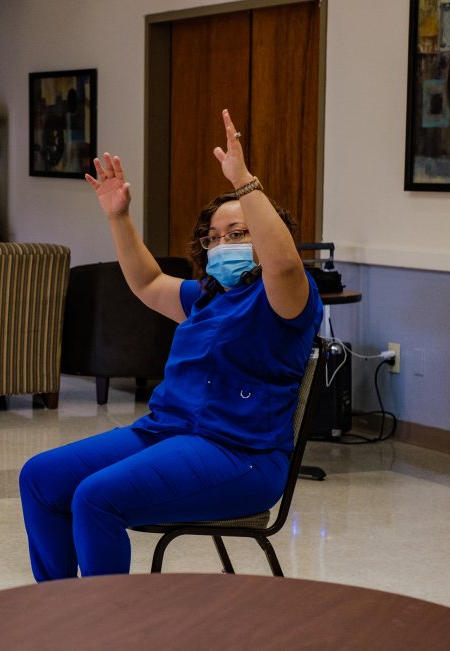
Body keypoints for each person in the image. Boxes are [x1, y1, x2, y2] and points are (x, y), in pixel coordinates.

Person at [20, 110, 323, 581]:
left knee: (95, 498)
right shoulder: (206, 297)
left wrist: (245, 182)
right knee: (40, 478)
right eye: (214, 237)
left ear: (266, 235)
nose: (222, 244)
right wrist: (118, 217)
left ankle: (104, 630)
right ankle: (59, 612)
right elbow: (146, 282)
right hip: (167, 433)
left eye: (239, 234)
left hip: (239, 455)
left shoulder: (284, 297)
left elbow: (283, 265)